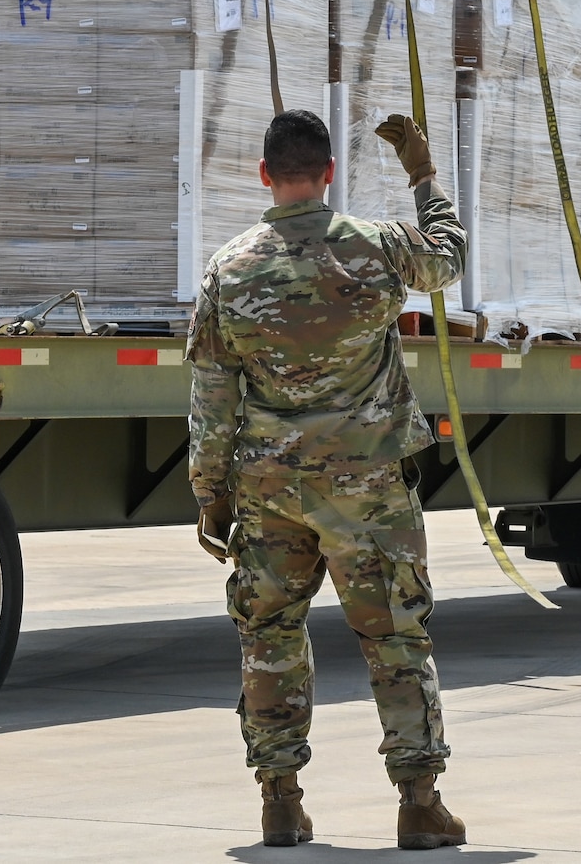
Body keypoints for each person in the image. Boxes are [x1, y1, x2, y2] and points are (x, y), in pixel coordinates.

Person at [187, 107, 469, 851]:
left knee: (270, 635)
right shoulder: (374, 246)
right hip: (368, 484)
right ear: (329, 172)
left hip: (269, 487)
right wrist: (423, 176)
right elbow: (446, 260)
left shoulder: (230, 266)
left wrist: (209, 492)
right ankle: (418, 801)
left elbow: (213, 395)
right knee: (395, 636)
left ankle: (280, 801)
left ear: (264, 174)